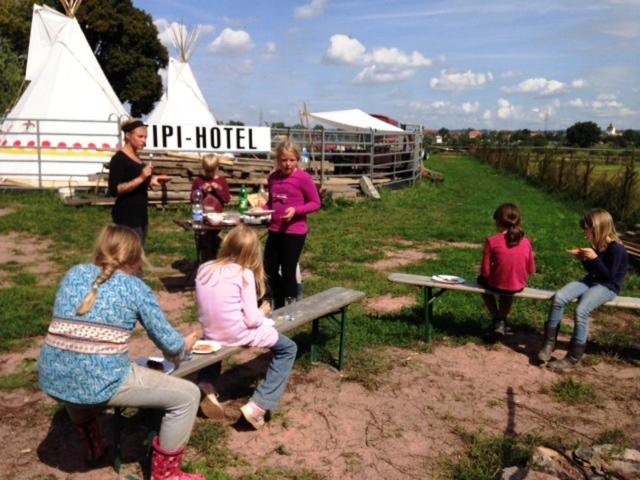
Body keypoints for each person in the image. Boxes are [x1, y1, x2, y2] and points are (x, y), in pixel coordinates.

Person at [38, 225, 204, 479]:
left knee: (76, 370)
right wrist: (187, 342)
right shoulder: (135, 288)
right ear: (137, 257)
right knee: (188, 396)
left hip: (52, 377)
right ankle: (167, 475)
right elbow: (171, 346)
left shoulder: (73, 273)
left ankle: (94, 447)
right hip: (102, 381)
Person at [195, 225, 297, 429]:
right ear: (253, 253)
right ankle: (259, 405)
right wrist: (263, 311)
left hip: (210, 332)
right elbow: (251, 320)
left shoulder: (205, 268)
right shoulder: (244, 274)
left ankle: (206, 384)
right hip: (237, 333)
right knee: (288, 348)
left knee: (216, 338)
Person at [538, 208, 628, 370]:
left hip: (608, 287)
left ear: (597, 227)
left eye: (585, 227)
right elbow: (594, 270)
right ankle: (549, 344)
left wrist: (594, 258)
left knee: (581, 310)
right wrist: (585, 259)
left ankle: (573, 358)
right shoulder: (598, 245)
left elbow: (609, 276)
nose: (583, 231)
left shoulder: (617, 249)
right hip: (591, 281)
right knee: (559, 297)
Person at [262, 140, 321, 308]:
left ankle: (291, 307)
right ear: (277, 160)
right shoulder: (273, 178)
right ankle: (280, 302)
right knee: (269, 269)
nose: (287, 164)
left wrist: (296, 210)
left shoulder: (303, 178)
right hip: (275, 230)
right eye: (283, 160)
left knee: (288, 271)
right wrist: (261, 209)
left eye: (291, 160)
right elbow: (271, 203)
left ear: (297, 159)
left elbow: (316, 203)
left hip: (295, 231)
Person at [108, 118, 170, 245]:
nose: (144, 141)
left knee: (138, 253)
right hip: (126, 216)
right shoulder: (119, 159)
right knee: (129, 253)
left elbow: (136, 182)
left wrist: (152, 181)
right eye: (140, 136)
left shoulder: (137, 157)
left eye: (145, 137)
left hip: (141, 214)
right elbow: (115, 189)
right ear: (128, 136)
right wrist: (141, 178)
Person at [478, 203, 536, 337]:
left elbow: (485, 272)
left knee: (482, 282)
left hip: (496, 284)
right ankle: (502, 319)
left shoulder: (492, 241)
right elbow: (532, 269)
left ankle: (497, 318)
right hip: (518, 285)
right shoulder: (526, 242)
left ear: (498, 222)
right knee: (509, 286)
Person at [190, 154, 231, 261]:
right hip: (202, 217)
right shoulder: (198, 181)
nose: (209, 174)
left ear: (217, 168)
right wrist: (201, 190)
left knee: (216, 242)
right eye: (207, 171)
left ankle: (217, 261)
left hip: (217, 218)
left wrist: (218, 189)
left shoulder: (222, 181)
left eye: (212, 171)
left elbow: (227, 199)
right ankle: (206, 262)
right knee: (205, 243)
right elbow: (193, 199)